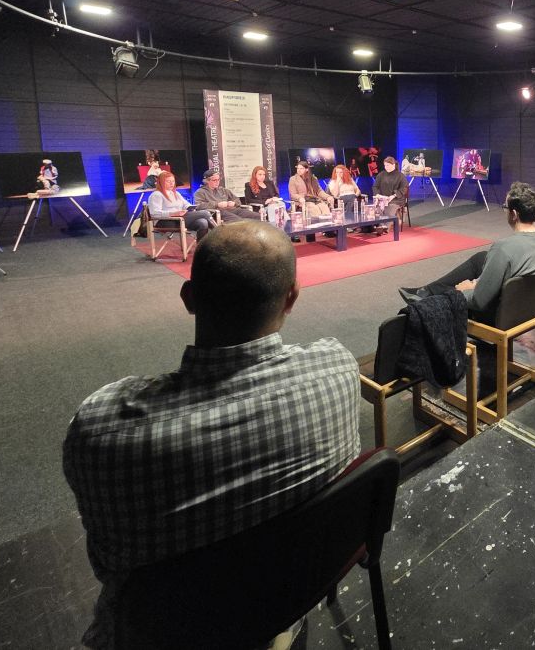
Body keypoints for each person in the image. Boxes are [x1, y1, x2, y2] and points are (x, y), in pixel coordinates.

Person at [64, 221, 359, 649]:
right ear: (292, 296)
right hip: (291, 594)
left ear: (188, 298)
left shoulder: (100, 432)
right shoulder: (338, 368)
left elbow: (107, 559)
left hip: (163, 633)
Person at [399, 182, 535, 320]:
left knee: (452, 292)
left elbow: (479, 301)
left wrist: (462, 291)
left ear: (514, 214)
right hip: (525, 306)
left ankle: (426, 298)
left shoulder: (503, 248)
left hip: (502, 315)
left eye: (505, 207)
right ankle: (426, 292)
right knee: (481, 258)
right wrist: (477, 284)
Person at [147, 170, 213, 239]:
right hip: (165, 221)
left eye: (173, 181)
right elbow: (154, 214)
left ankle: (202, 245)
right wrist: (173, 214)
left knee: (203, 222)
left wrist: (190, 208)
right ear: (161, 182)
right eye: (168, 181)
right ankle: (219, 234)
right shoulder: (156, 195)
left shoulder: (176, 193)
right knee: (205, 213)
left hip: (179, 219)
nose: (171, 183)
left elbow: (186, 204)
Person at [194, 168, 259, 223]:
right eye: (214, 180)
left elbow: (237, 200)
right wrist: (217, 204)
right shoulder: (200, 192)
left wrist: (234, 203)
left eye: (218, 180)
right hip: (218, 212)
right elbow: (199, 206)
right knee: (239, 221)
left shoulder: (223, 190)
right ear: (207, 181)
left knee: (257, 216)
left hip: (233, 210)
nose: (217, 182)